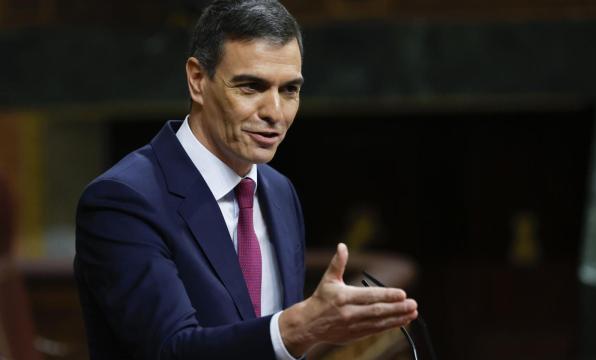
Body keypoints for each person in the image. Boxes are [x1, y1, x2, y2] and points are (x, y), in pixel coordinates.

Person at [74, 0, 418, 359]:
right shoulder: (122, 200)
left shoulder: (280, 191)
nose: (274, 112)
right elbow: (169, 350)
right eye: (251, 87)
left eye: (289, 90)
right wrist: (298, 326)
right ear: (197, 80)